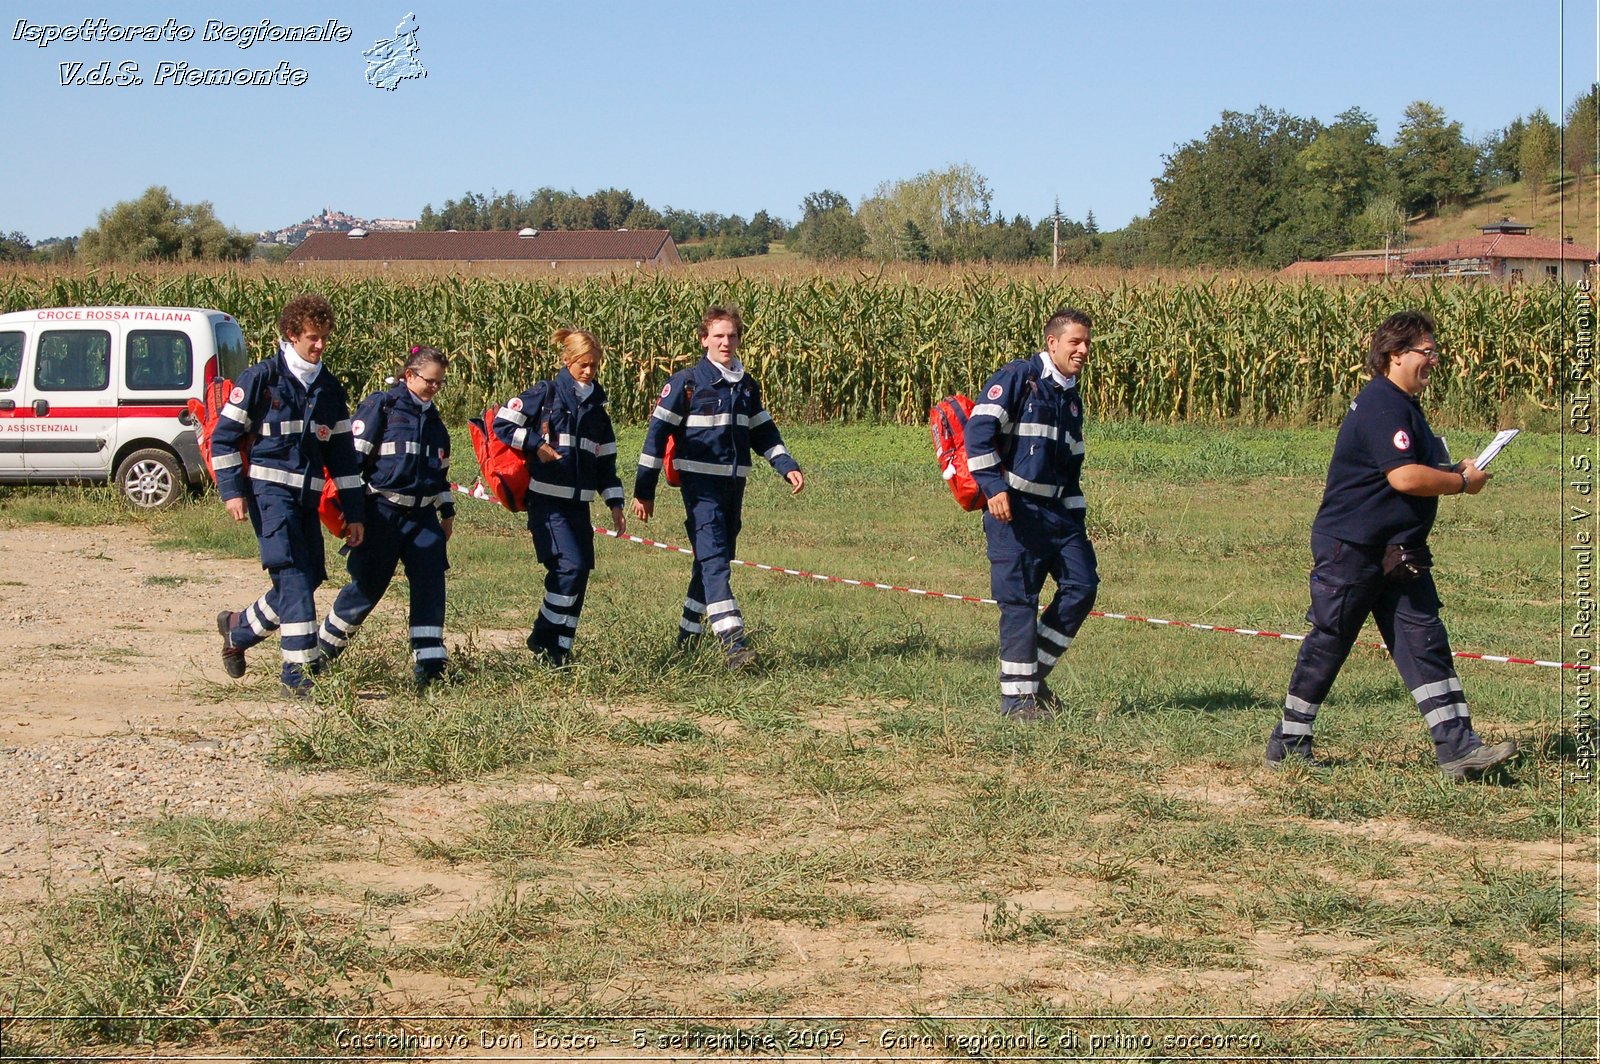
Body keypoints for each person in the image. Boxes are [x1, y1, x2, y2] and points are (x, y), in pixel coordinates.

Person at [1268, 309, 1517, 779]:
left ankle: (1460, 750)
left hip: (1398, 552)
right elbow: (1403, 476)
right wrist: (1461, 483)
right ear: (1395, 354)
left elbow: (1414, 465)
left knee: (1425, 643)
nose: (1434, 361)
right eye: (1427, 352)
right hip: (1353, 549)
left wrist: (1454, 468)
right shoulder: (1384, 404)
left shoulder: (1401, 405)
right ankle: (1289, 739)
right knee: (1331, 641)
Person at [212, 292, 366, 697]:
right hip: (268, 494)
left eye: (324, 338)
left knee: (310, 575)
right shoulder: (261, 378)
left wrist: (355, 513)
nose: (320, 346)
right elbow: (223, 439)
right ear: (292, 334)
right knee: (295, 577)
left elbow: (344, 458)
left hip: (307, 499)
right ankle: (298, 676)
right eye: (313, 338)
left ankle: (238, 629)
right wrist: (232, 492)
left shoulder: (329, 388)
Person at [633, 306, 803, 669]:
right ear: (704, 339)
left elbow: (763, 431)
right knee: (714, 561)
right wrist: (643, 491)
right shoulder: (687, 382)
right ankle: (734, 643)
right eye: (719, 336)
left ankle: (686, 639)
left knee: (712, 560)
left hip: (734, 487)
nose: (726, 342)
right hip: (700, 490)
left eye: (732, 336)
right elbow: (655, 437)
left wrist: (785, 465)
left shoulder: (746, 384)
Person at [964, 307, 1099, 722]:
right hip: (1015, 513)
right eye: (1075, 342)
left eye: (1087, 343)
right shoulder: (1020, 377)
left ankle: (1033, 677)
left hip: (1059, 516)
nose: (1082, 350)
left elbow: (1071, 468)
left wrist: (1077, 522)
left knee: (1083, 585)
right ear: (1052, 342)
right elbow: (978, 430)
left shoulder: (1069, 396)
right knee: (1020, 602)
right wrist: (993, 488)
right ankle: (1017, 703)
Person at [315, 345, 456, 690]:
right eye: (429, 382)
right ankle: (319, 655)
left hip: (422, 517)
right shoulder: (384, 407)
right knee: (366, 588)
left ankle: (430, 665)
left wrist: (447, 510)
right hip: (382, 514)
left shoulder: (434, 421)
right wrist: (353, 514)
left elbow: (440, 472)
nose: (435, 389)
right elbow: (350, 464)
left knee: (430, 585)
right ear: (409, 376)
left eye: (440, 383)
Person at [493, 329, 626, 666]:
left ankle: (559, 651)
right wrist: (536, 445)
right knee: (570, 568)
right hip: (547, 503)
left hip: (579, 506)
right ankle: (543, 634)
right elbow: (503, 423)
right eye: (583, 364)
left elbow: (606, 463)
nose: (589, 372)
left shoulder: (598, 409)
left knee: (579, 576)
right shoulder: (546, 393)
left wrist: (615, 503)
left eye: (594, 366)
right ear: (567, 361)